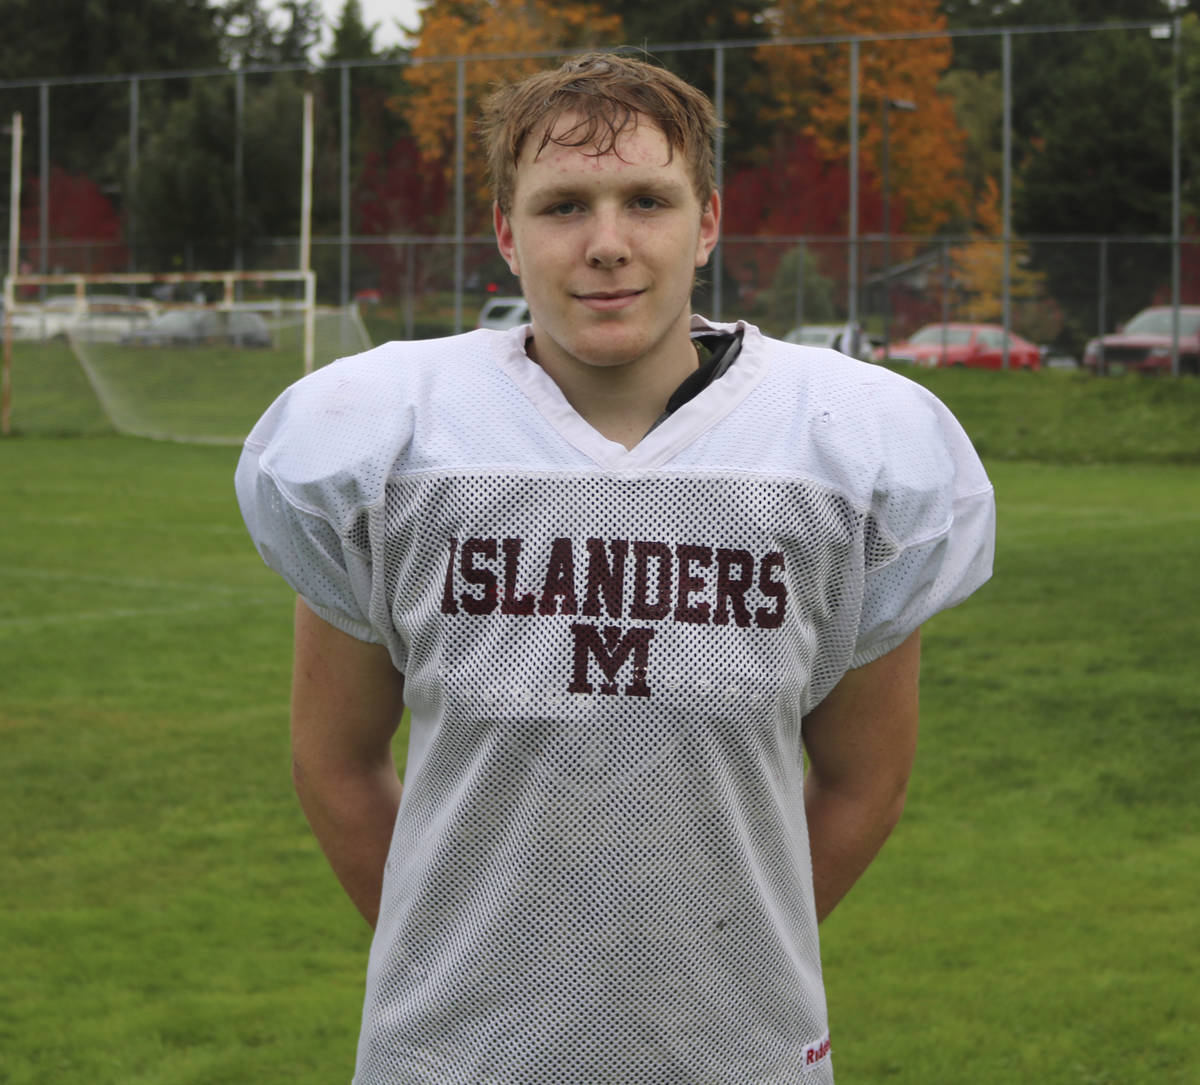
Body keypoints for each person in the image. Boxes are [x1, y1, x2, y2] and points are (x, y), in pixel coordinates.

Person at [235, 52, 995, 1085]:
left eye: (647, 199)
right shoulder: (390, 442)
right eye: (563, 206)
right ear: (507, 233)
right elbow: (335, 762)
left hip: (737, 1046)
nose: (606, 244)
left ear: (708, 221)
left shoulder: (842, 447)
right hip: (453, 1052)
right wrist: (470, 952)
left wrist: (702, 961)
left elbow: (865, 778)